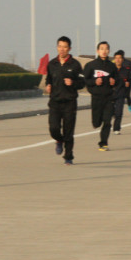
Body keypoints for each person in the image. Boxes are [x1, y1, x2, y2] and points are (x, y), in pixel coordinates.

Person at [46, 36, 85, 165]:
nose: (62, 49)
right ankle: (59, 140)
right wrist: (48, 85)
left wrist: (72, 82)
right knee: (54, 128)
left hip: (69, 102)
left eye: (65, 47)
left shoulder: (75, 64)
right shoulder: (52, 64)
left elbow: (82, 83)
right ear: (57, 47)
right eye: (60, 46)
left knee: (68, 131)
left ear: (69, 49)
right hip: (55, 102)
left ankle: (68, 156)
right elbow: (49, 78)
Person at [83, 41, 117, 152]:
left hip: (108, 98)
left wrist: (114, 82)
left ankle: (103, 143)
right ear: (98, 51)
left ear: (109, 51)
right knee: (97, 123)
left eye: (106, 49)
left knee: (107, 121)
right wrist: (94, 81)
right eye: (102, 49)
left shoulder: (112, 66)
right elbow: (84, 80)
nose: (104, 51)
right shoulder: (91, 65)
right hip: (96, 98)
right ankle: (95, 123)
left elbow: (118, 80)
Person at [112, 51, 131, 134]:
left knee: (119, 112)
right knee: (111, 111)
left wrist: (127, 84)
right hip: (111, 93)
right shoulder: (111, 70)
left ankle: (116, 128)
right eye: (116, 58)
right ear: (114, 59)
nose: (118, 60)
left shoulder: (126, 70)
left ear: (122, 59)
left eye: (119, 58)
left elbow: (129, 80)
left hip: (121, 93)